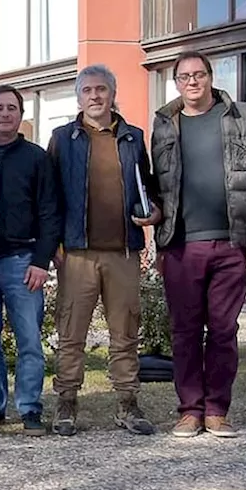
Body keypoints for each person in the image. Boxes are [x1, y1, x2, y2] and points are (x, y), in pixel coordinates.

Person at [152, 51, 246, 439]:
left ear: (210, 77)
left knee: (223, 330)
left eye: (199, 74)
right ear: (176, 83)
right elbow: (158, 186)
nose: (192, 82)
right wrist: (152, 220)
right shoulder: (163, 125)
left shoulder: (243, 119)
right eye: (185, 76)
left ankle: (217, 410)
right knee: (185, 331)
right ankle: (190, 411)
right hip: (181, 247)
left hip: (232, 244)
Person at [48, 64, 160, 437]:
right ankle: (66, 404)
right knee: (71, 332)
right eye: (87, 91)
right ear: (78, 98)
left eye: (101, 90)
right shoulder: (63, 138)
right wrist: (54, 245)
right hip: (77, 252)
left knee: (125, 331)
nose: (95, 96)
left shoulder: (132, 137)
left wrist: (153, 212)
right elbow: (50, 198)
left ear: (112, 94)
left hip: (123, 252)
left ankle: (128, 404)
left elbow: (149, 187)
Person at [0, 85, 60, 437]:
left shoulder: (37, 158)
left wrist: (41, 261)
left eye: (12, 108)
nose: (5, 114)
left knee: (29, 341)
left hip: (23, 262)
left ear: (21, 115)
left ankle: (30, 407)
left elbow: (50, 213)